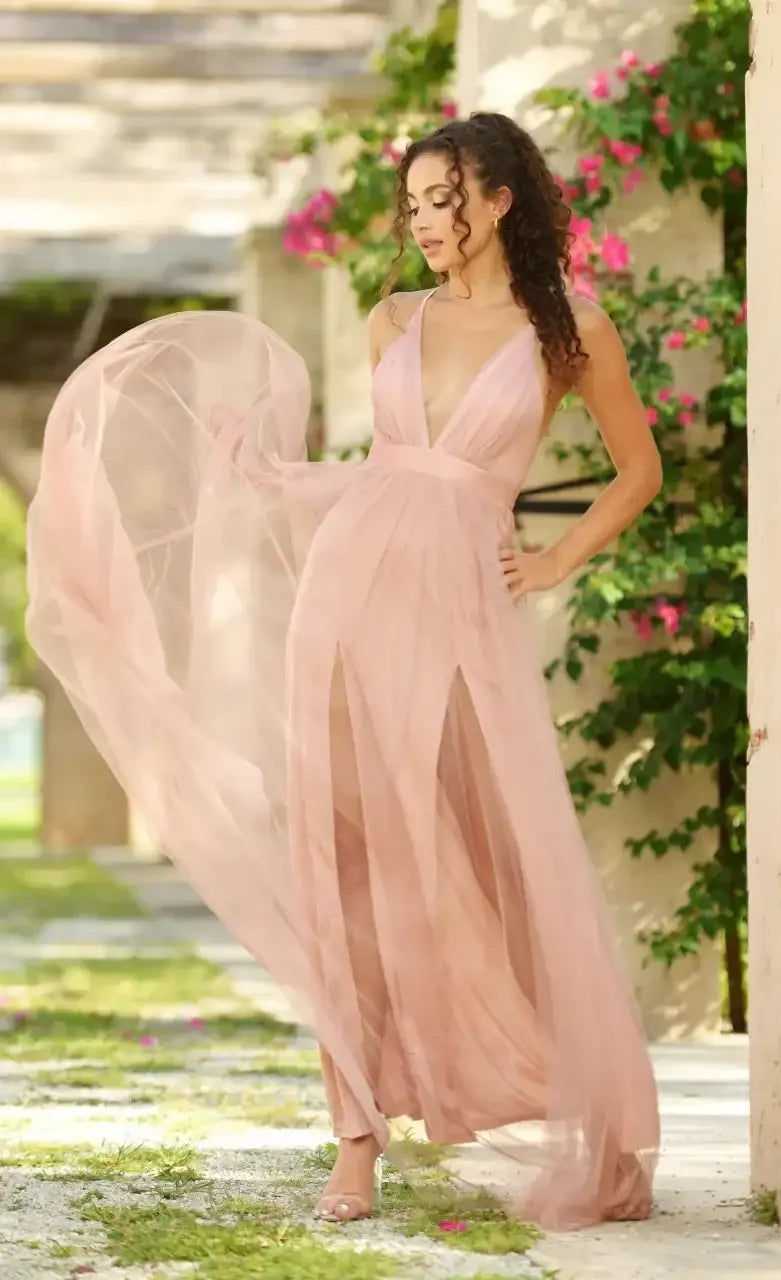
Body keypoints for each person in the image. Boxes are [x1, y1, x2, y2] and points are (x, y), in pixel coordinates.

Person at [24, 111, 662, 1231]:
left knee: (496, 850)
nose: (421, 223)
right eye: (410, 204)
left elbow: (636, 468)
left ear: (500, 198)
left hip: (462, 613)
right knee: (344, 861)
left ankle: (566, 1097)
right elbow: (383, 476)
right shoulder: (391, 322)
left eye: (439, 200)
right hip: (349, 597)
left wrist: (553, 554)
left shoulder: (569, 330)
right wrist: (268, 473)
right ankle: (356, 1138)